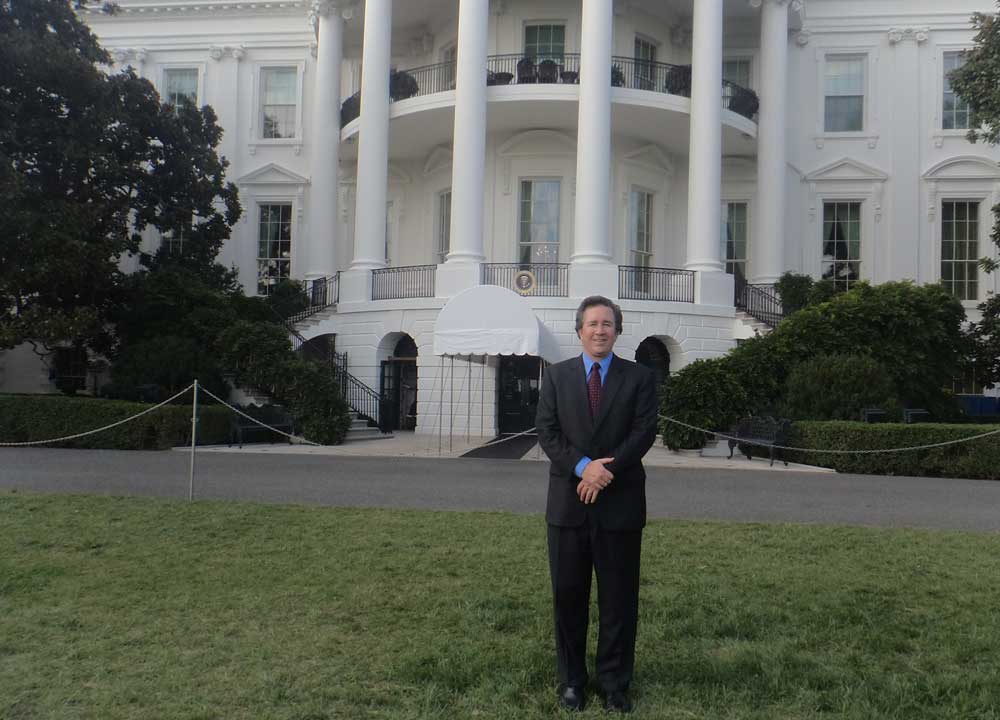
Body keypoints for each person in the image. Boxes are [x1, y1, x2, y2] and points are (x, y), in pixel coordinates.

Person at [535, 295, 658, 714]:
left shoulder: (640, 377)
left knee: (618, 600)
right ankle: (572, 680)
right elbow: (548, 433)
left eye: (608, 323)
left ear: (617, 331)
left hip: (620, 504)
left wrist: (605, 473)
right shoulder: (557, 377)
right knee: (568, 596)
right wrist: (585, 468)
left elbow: (643, 432)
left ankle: (614, 683)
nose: (600, 330)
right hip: (568, 507)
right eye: (592, 324)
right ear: (579, 330)